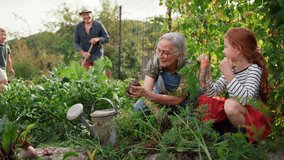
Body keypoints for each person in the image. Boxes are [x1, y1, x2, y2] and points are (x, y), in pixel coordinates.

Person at [197, 27, 270, 142]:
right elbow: (212, 93)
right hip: (237, 114)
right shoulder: (232, 69)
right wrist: (207, 71)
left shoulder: (253, 69)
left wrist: (228, 73)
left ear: (238, 49)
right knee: (206, 100)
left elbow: (246, 99)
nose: (223, 51)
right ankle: (229, 135)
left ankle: (245, 141)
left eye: (225, 47)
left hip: (252, 119)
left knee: (230, 104)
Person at [129, 32, 190, 114]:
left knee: (187, 116)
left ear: (179, 54)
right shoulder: (155, 61)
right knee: (138, 108)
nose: (160, 56)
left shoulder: (187, 67)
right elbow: (147, 92)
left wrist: (146, 93)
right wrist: (159, 113)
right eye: (158, 50)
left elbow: (178, 99)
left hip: (183, 102)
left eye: (165, 52)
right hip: (159, 96)